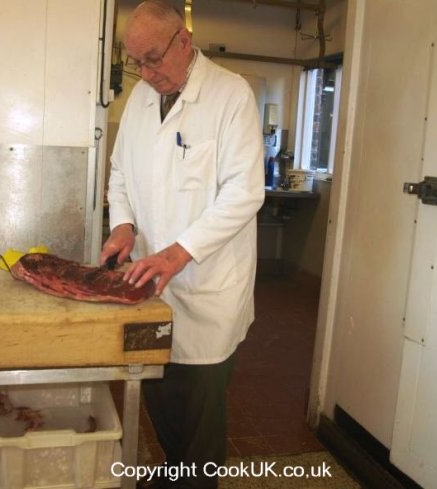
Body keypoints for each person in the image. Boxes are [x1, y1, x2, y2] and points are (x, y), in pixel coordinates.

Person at [100, 1, 265, 487]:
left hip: (205, 289)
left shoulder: (231, 95)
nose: (145, 73)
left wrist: (177, 252)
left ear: (184, 42)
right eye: (137, 63)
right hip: (151, 284)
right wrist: (123, 223)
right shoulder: (140, 100)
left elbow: (245, 192)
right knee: (157, 397)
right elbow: (119, 174)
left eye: (153, 59)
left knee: (198, 418)